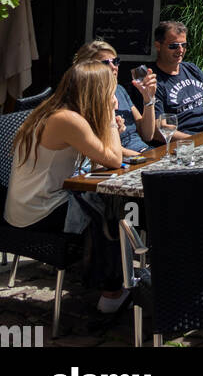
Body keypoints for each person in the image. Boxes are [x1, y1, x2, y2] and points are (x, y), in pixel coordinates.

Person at [3, 61, 128, 312]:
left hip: (25, 206)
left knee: (111, 205)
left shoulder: (55, 110)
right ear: (98, 91)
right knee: (115, 211)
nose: (113, 97)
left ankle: (106, 277)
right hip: (37, 212)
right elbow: (113, 159)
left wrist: (109, 130)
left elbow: (100, 158)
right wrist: (110, 121)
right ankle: (111, 293)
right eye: (110, 91)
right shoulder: (68, 119)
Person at [73, 41, 157, 155]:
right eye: (105, 63)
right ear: (88, 68)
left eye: (116, 61)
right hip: (124, 159)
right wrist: (144, 158)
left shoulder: (119, 90)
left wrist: (148, 99)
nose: (113, 67)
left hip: (143, 151)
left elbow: (147, 135)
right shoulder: (84, 99)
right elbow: (99, 147)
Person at [151, 21, 203, 139]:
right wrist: (195, 141)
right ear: (158, 46)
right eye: (173, 46)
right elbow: (160, 130)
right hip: (187, 138)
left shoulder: (192, 69)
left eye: (184, 45)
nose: (180, 50)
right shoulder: (152, 81)